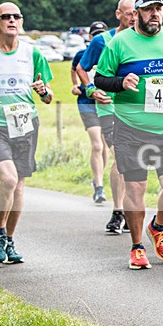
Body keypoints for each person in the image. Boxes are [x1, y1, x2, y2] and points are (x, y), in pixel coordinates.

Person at [94, 0, 163, 270]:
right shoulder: (120, 43)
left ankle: (158, 226)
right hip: (131, 127)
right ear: (135, 14)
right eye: (148, 9)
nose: (154, 14)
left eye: (158, 9)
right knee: (135, 187)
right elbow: (100, 78)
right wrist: (120, 83)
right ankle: (137, 246)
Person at [0, 2, 53, 264]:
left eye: (16, 16)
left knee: (18, 185)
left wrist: (43, 92)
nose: (11, 20)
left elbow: (49, 96)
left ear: (21, 21)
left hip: (26, 125)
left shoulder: (32, 53)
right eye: (5, 17)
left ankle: (9, 238)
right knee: (8, 178)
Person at [76, 0, 135, 234]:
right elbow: (82, 67)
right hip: (108, 108)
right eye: (129, 13)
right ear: (118, 14)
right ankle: (118, 211)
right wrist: (91, 89)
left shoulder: (142, 41)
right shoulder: (102, 41)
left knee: (132, 160)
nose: (133, 17)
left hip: (135, 108)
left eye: (136, 13)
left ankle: (132, 209)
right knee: (119, 156)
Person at [71, 21, 108, 204]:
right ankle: (99, 185)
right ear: (90, 37)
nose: (98, 37)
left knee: (105, 145)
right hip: (87, 103)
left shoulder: (109, 50)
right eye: (95, 34)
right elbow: (75, 69)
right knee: (97, 145)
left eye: (102, 33)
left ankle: (98, 177)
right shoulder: (81, 54)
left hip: (106, 103)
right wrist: (75, 85)